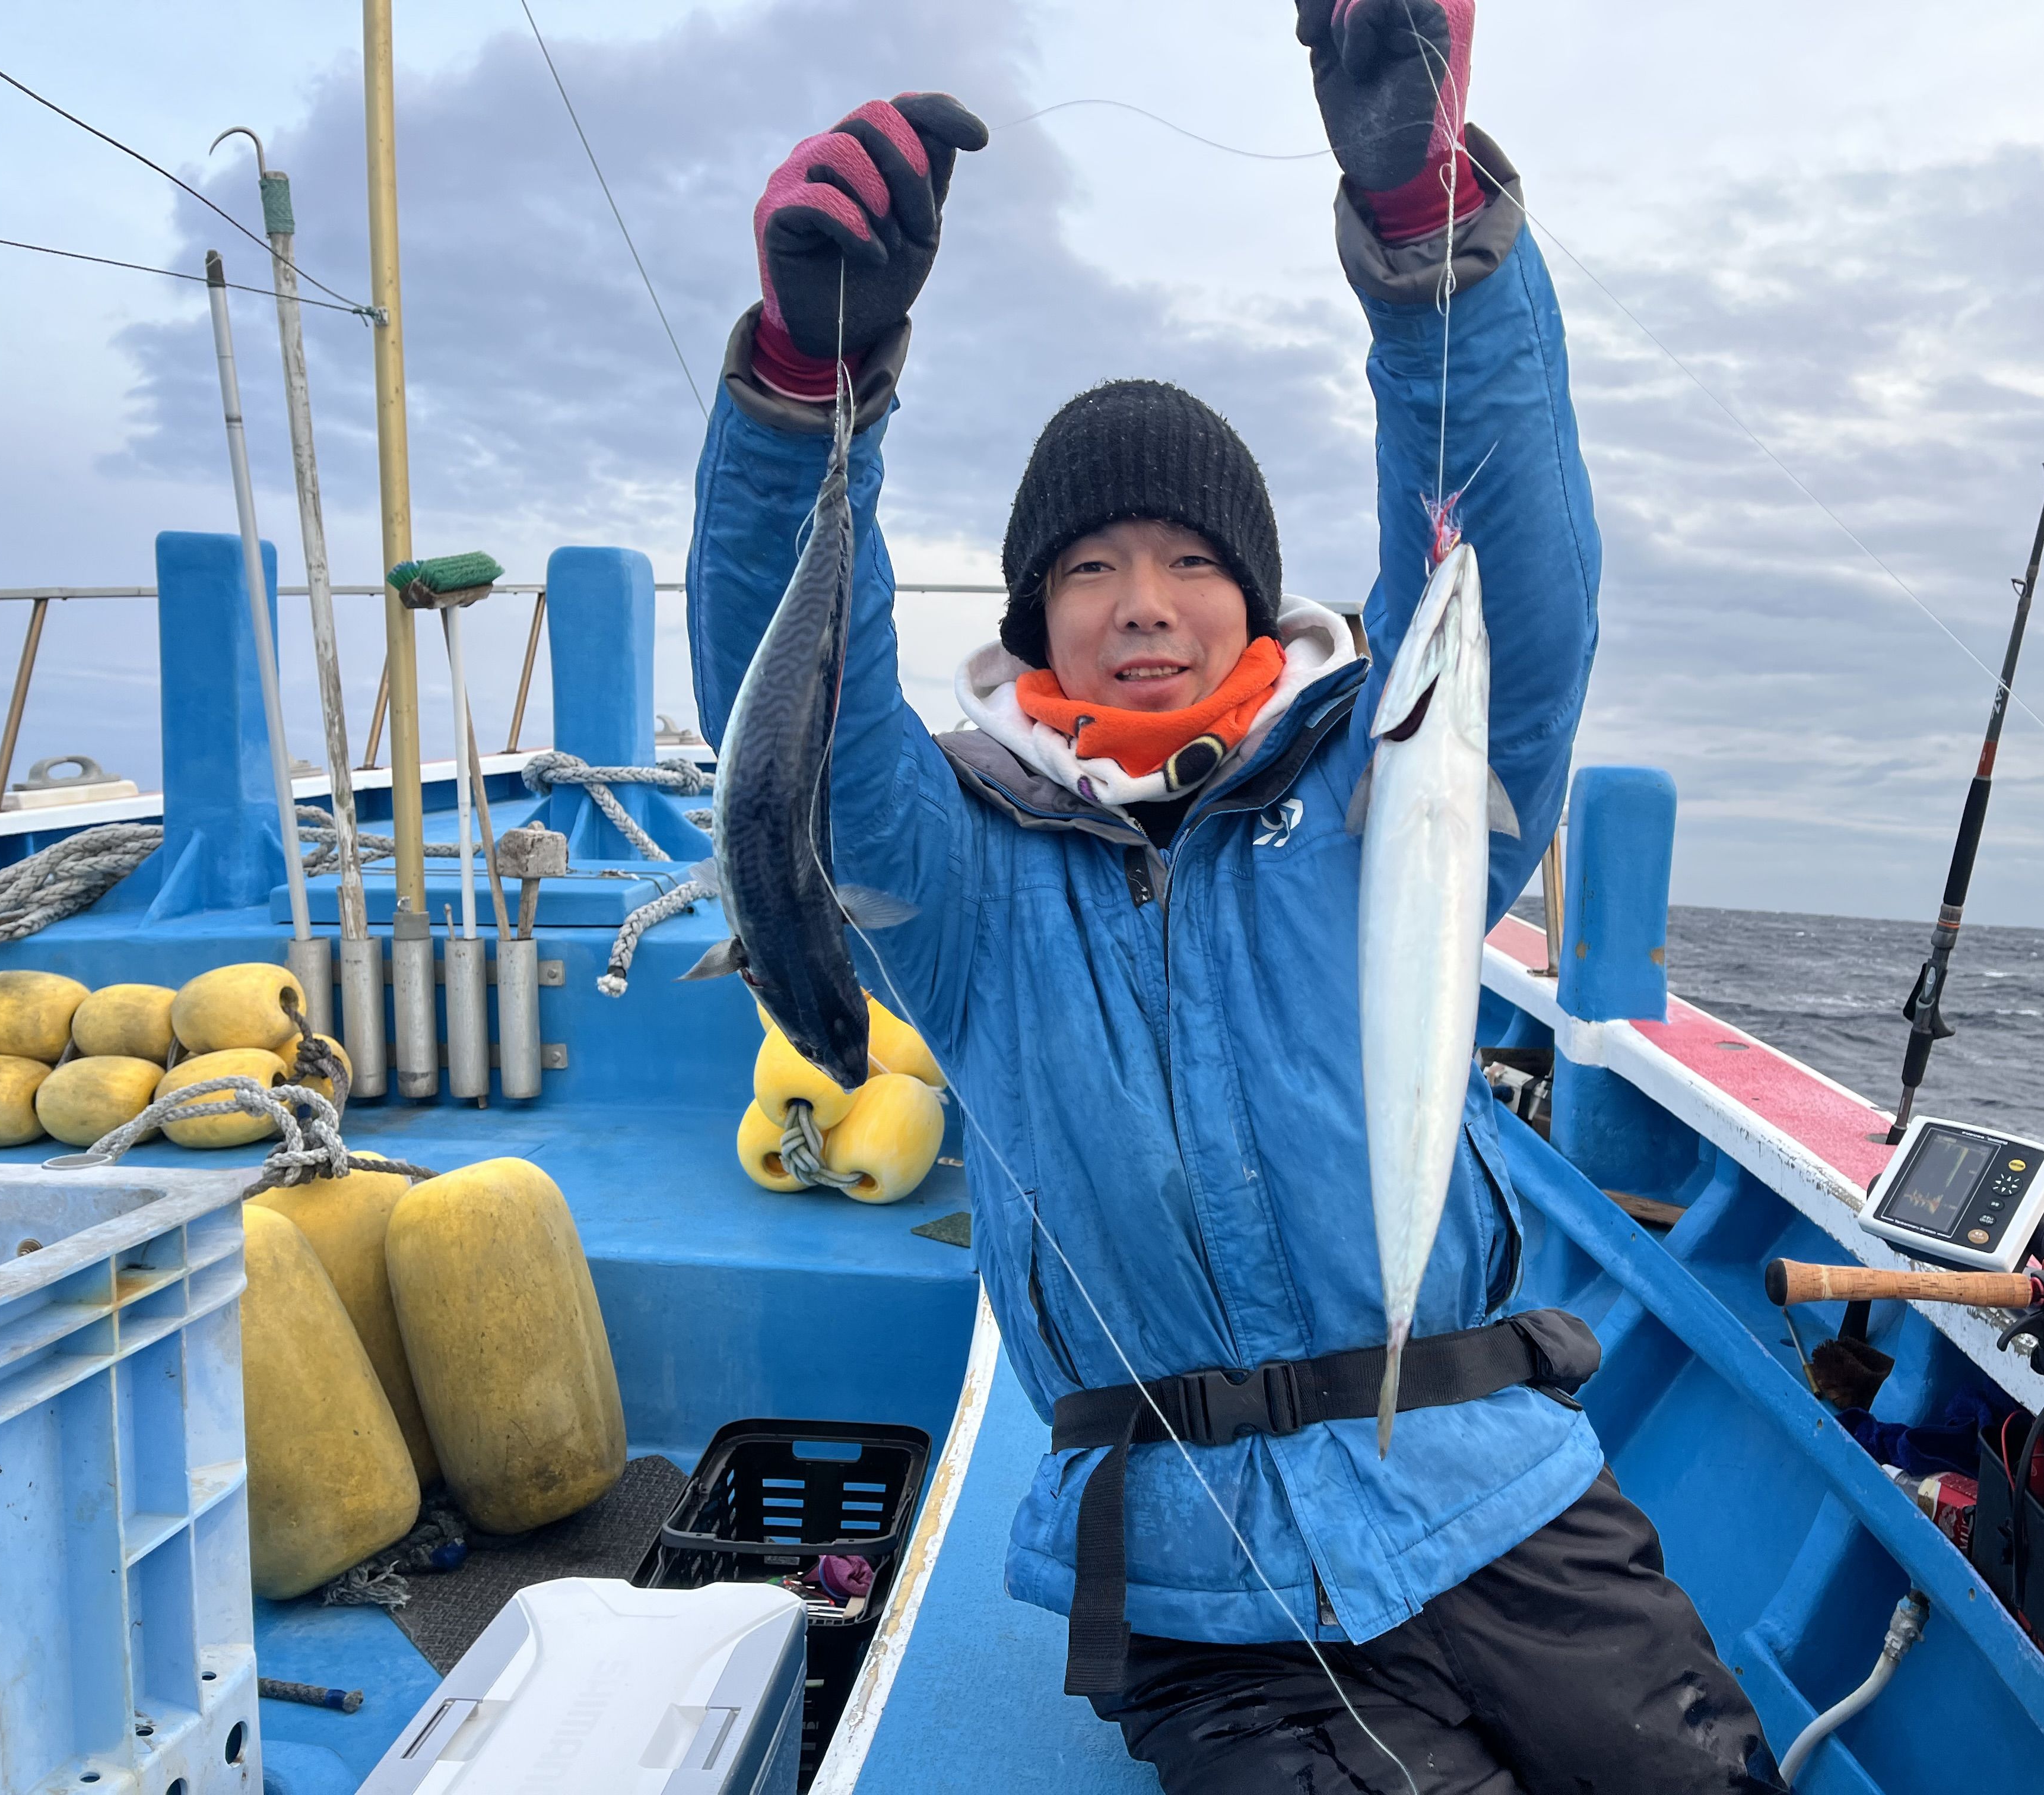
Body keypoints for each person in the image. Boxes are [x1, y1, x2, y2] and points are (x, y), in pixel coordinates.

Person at [688, 5, 1782, 1788]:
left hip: (1506, 1499)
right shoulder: (956, 872)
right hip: (1205, 1590)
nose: (1145, 602)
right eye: (1093, 566)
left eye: (1195, 560)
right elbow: (784, 724)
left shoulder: (1389, 785)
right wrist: (807, 401)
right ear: (1036, 619)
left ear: (1258, 604)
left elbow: (1511, 581)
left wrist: (1431, 232)